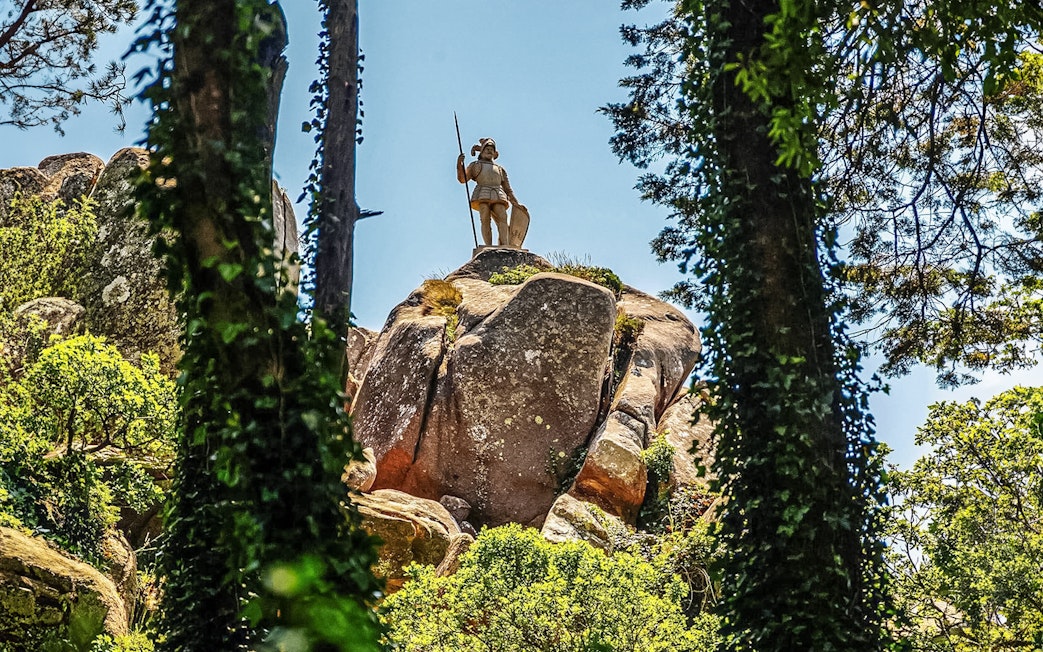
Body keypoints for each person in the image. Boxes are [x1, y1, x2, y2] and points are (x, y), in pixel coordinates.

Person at [457, 138, 526, 246]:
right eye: (487, 149)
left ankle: (505, 244)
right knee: (485, 218)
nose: (489, 151)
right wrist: (459, 165)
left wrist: (516, 203)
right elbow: (463, 179)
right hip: (482, 193)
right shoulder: (476, 165)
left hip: (498, 194)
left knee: (502, 217)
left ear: (495, 153)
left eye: (491, 149)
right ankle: (488, 245)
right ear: (482, 151)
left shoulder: (500, 169)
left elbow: (508, 189)